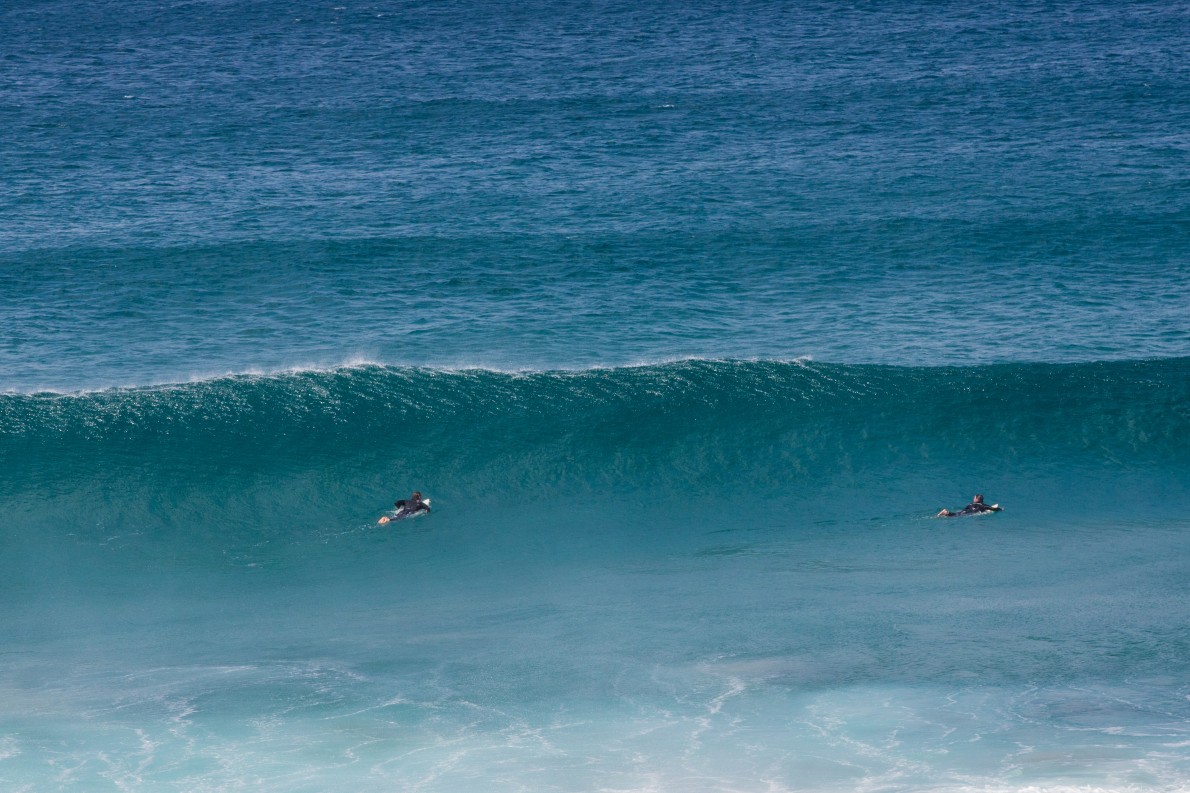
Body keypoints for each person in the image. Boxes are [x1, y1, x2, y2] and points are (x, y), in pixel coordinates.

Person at [937, 493, 1002, 518]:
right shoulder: (983, 506)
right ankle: (946, 512)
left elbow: (964, 510)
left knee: (956, 514)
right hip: (969, 513)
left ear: (976, 499)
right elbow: (992, 508)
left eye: (974, 498)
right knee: (954, 516)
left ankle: (946, 513)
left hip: (963, 512)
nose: (973, 499)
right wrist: (1000, 509)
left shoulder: (970, 504)